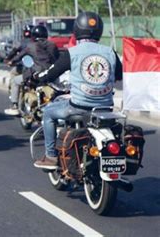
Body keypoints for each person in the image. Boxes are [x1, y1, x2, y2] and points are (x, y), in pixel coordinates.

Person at [33, 12, 123, 169]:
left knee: (48, 112)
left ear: (76, 30)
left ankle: (51, 156)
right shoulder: (110, 52)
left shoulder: (72, 52)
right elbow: (119, 75)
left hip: (78, 106)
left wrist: (39, 78)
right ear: (100, 31)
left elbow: (51, 73)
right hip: (105, 107)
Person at [4, 25, 59, 115]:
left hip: (35, 73)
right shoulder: (52, 45)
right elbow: (57, 58)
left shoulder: (31, 46)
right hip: (51, 73)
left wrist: (11, 61)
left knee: (15, 80)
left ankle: (14, 105)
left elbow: (18, 55)